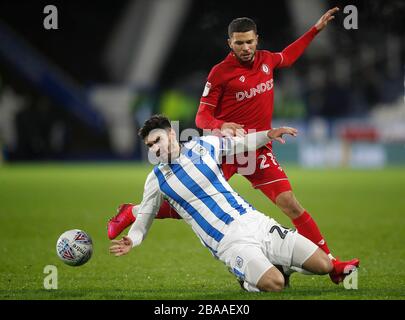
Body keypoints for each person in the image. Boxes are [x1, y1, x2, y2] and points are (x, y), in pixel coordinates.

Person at [107, 7, 360, 284]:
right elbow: (201, 117)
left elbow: (288, 56)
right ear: (230, 43)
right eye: (239, 43)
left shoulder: (267, 60)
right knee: (196, 198)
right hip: (227, 148)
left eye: (249, 41)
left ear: (257, 40)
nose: (245, 47)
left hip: (258, 147)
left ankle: (333, 265)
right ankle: (136, 211)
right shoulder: (220, 73)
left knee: (291, 204)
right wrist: (220, 127)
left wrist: (314, 30)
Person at [109, 115, 344, 292]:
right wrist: (133, 239)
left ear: (171, 134)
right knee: (276, 284)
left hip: (255, 221)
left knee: (324, 265)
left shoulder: (204, 145)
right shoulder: (156, 179)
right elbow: (144, 217)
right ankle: (247, 281)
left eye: (157, 140)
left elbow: (242, 144)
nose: (155, 148)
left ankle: (281, 262)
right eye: (150, 146)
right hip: (228, 242)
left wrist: (269, 134)